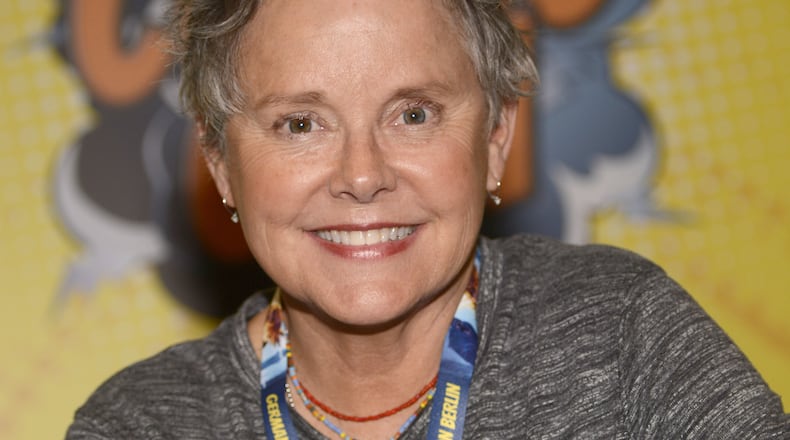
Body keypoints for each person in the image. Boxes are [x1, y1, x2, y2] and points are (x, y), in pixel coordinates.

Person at [67, 0, 789, 438]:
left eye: (413, 114)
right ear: (221, 161)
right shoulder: (142, 423)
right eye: (298, 124)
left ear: (498, 135)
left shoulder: (620, 333)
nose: (362, 175)